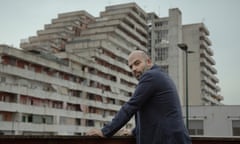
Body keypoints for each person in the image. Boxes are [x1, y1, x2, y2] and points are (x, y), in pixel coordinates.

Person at [86, 50, 192, 144]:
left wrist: (105, 131)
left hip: (167, 140)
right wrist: (133, 131)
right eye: (131, 66)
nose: (134, 69)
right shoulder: (159, 76)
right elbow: (156, 115)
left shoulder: (151, 76)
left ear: (149, 62)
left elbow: (131, 106)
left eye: (137, 63)